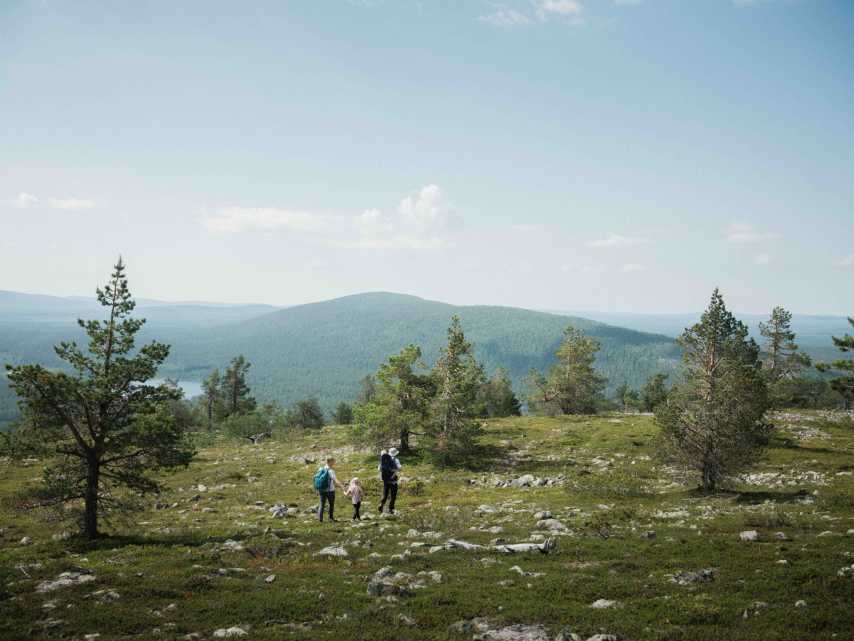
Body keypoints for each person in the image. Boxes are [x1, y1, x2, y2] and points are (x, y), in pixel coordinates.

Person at [315, 457, 345, 522]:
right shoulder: (331, 471)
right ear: (330, 462)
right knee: (331, 504)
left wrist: (317, 489)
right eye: (333, 461)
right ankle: (330, 518)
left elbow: (317, 479)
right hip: (330, 490)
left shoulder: (320, 469)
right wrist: (342, 486)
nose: (334, 462)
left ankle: (320, 519)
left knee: (322, 504)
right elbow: (335, 480)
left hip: (321, 490)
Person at [378, 447, 401, 514]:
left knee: (385, 494)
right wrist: (393, 471)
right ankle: (391, 509)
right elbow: (399, 468)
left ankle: (381, 504)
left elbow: (379, 469)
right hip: (393, 480)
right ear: (395, 453)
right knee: (393, 495)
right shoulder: (396, 460)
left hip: (385, 480)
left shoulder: (383, 460)